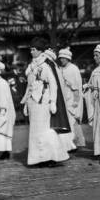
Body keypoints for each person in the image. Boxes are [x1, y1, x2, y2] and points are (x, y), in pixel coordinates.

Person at [22, 38, 69, 167]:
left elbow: (53, 85)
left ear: (40, 51)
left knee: (45, 131)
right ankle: (38, 159)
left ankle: (51, 157)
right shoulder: (31, 67)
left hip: (44, 102)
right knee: (35, 132)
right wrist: (26, 103)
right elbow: (29, 86)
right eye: (31, 49)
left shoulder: (46, 65)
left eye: (34, 49)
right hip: (33, 103)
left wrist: (53, 102)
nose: (31, 52)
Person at [43, 48, 74, 151]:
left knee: (54, 124)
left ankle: (62, 146)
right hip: (59, 97)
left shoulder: (49, 65)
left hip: (54, 97)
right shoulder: (55, 66)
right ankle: (67, 145)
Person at [58, 47, 85, 149]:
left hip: (72, 99)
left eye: (64, 58)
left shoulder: (73, 69)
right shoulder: (60, 69)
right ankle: (74, 143)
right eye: (60, 58)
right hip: (64, 99)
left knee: (72, 121)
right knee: (67, 122)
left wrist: (76, 101)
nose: (62, 60)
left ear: (68, 58)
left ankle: (72, 144)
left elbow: (77, 87)